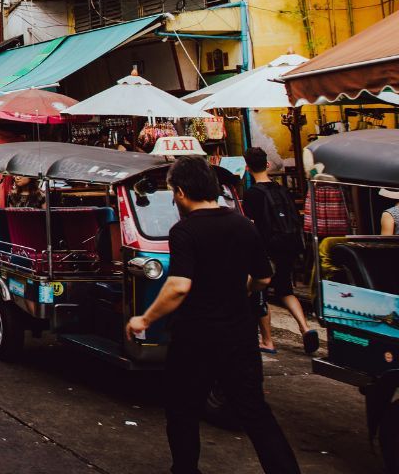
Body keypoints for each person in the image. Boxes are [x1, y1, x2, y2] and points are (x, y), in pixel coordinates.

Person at [126, 157, 301, 474]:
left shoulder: (185, 231)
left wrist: (145, 319)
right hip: (240, 334)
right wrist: (239, 289)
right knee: (255, 411)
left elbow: (179, 286)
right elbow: (263, 278)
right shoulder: (243, 225)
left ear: (179, 193)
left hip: (196, 337)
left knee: (183, 410)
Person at [242, 147, 318, 356]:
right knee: (285, 290)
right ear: (267, 164)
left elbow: (251, 225)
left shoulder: (251, 195)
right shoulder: (282, 190)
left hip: (266, 250)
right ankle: (305, 328)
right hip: (288, 247)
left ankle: (267, 341)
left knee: (259, 294)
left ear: (247, 168)